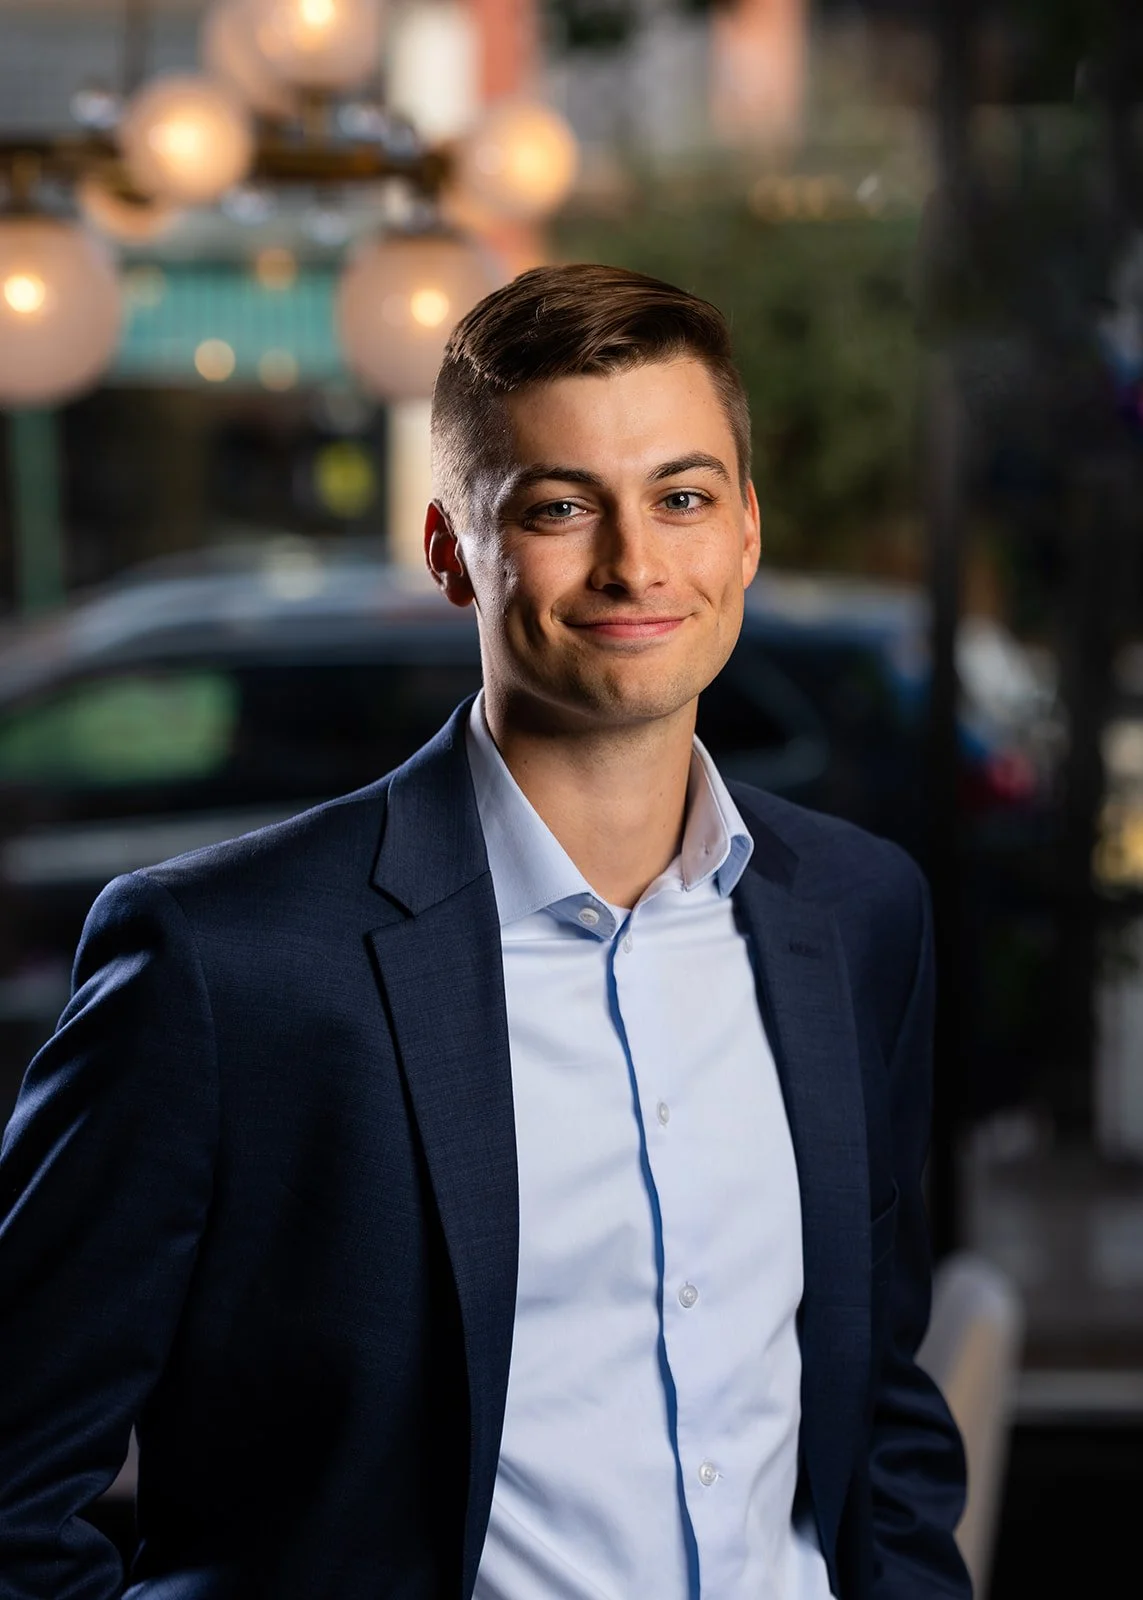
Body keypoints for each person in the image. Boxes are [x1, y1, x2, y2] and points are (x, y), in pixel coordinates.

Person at [0, 264, 969, 1600]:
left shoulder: (858, 915)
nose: (635, 563)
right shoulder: (224, 965)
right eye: (562, 507)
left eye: (682, 498)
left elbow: (876, 1407)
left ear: (744, 530)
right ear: (452, 549)